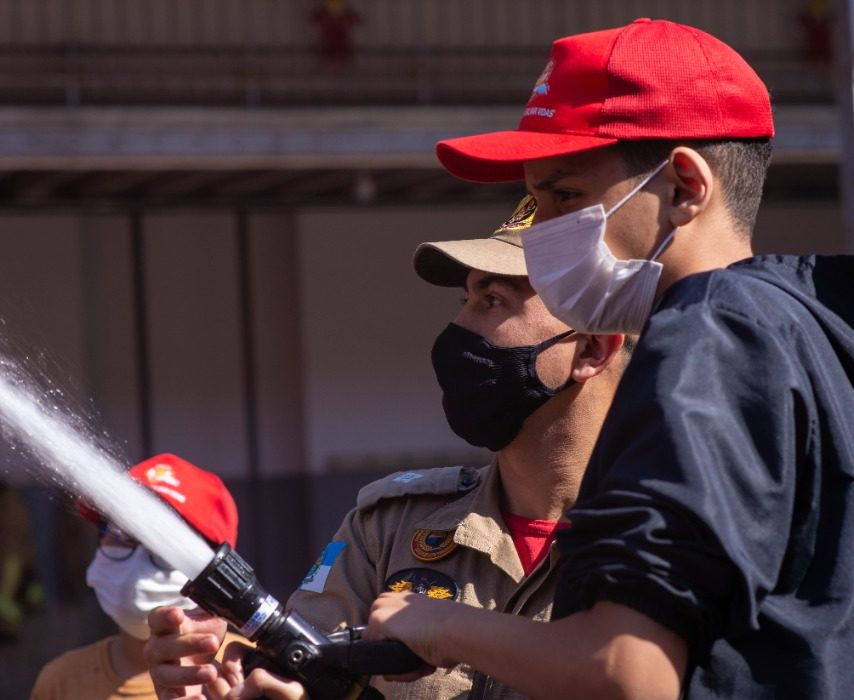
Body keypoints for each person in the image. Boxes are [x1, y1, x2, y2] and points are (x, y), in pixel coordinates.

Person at [365, 17, 854, 700]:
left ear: (684, 186)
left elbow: (628, 672)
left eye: (564, 195)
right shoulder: (809, 325)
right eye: (535, 201)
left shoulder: (708, 337)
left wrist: (438, 625)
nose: (542, 232)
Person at [144, 197, 635, 700]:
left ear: (593, 348)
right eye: (463, 300)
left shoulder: (665, 540)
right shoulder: (389, 528)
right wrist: (229, 685)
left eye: (493, 301)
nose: (457, 331)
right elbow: (298, 674)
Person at [30, 453, 242, 700]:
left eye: (166, 544)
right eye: (122, 534)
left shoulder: (246, 670)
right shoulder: (61, 680)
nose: (138, 562)